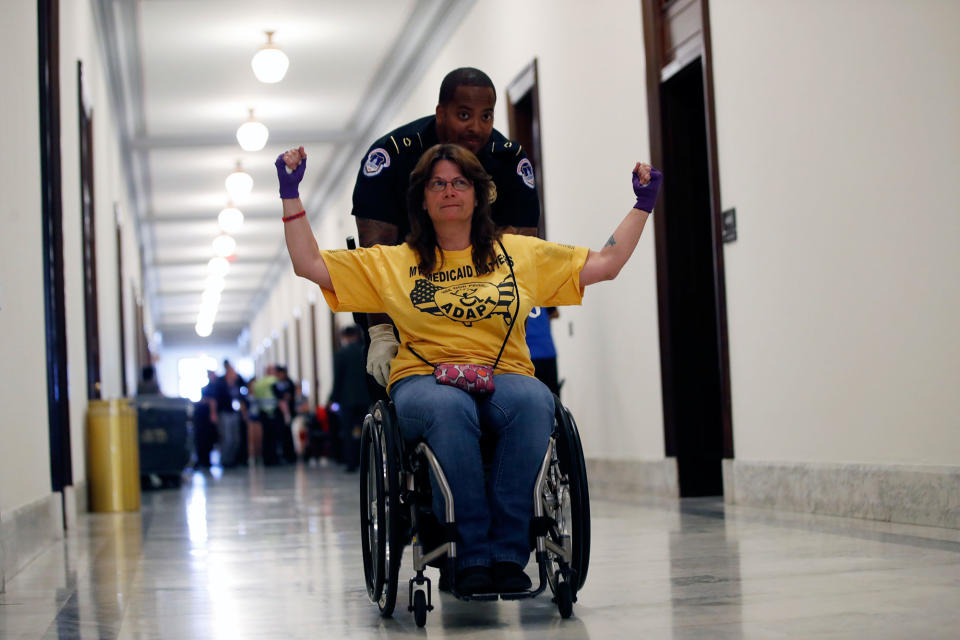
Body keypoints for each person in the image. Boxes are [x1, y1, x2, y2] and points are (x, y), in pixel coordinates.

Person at [276, 143, 661, 595]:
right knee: (449, 408)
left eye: (460, 182)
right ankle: (470, 552)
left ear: (479, 194)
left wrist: (643, 203)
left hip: (506, 375)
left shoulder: (519, 254)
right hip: (424, 380)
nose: (449, 191)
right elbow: (309, 264)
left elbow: (606, 263)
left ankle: (509, 554)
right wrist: (290, 194)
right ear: (422, 197)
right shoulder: (394, 261)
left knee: (536, 402)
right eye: (437, 183)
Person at [352, 67, 541, 390]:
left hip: (484, 308)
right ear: (441, 113)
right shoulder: (393, 156)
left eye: (486, 116)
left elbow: (520, 257)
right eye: (464, 115)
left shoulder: (508, 162)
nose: (476, 128)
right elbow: (375, 257)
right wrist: (381, 332)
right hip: (405, 307)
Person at [329, 325, 372, 472]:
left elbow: (338, 379)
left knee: (347, 431)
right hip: (364, 397)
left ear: (345, 337)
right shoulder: (365, 350)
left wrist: (333, 398)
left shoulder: (341, 354)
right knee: (364, 429)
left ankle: (350, 462)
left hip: (346, 399)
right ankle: (365, 462)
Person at [525, 307, 561, 396]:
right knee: (552, 395)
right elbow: (556, 314)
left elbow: (556, 314)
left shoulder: (516, 298)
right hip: (546, 351)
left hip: (530, 355)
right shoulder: (543, 295)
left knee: (535, 397)